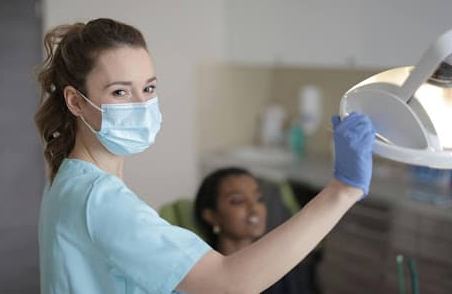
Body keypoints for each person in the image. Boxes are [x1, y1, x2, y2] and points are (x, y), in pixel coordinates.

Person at [35, 18, 376, 293]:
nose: (141, 105)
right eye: (120, 91)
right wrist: (341, 191)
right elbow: (226, 284)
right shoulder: (99, 199)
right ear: (76, 102)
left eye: (149, 88)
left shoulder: (70, 177)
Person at [194, 167, 315, 294]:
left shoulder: (283, 263)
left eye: (259, 199)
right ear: (211, 216)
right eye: (238, 201)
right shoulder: (199, 271)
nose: (254, 208)